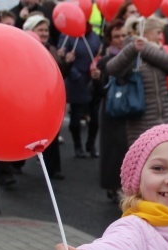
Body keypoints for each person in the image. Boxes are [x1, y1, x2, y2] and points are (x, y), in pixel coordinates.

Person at [106, 15, 168, 146]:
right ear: (146, 32)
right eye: (158, 32)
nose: (160, 37)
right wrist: (133, 49)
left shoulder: (156, 49)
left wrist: (146, 48)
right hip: (141, 124)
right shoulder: (130, 50)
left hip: (166, 118)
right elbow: (112, 68)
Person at [24, 14, 66, 180]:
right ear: (30, 31)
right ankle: (15, 164)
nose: (44, 33)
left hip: (50, 99)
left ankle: (53, 168)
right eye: (40, 29)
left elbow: (60, 74)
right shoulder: (24, 49)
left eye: (46, 29)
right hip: (29, 100)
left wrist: (66, 62)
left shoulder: (51, 48)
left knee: (51, 135)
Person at [93, 19, 128, 200]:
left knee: (126, 149)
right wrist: (97, 79)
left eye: (123, 35)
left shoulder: (133, 59)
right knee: (112, 151)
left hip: (130, 110)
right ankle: (112, 186)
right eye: (116, 36)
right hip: (111, 110)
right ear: (109, 39)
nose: (121, 39)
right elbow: (97, 92)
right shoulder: (105, 61)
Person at [58, 18, 101, 158]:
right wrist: (75, 75)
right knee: (76, 119)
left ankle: (91, 144)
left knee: (95, 119)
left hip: (92, 80)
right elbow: (63, 59)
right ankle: (77, 146)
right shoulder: (68, 35)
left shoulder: (93, 35)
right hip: (77, 82)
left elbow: (98, 53)